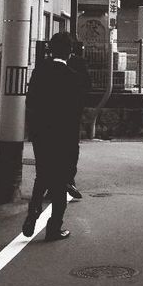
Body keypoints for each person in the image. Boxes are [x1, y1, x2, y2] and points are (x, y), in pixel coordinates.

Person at [22, 31, 86, 241]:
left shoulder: (39, 72)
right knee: (59, 183)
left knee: (42, 175)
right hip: (64, 137)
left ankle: (33, 211)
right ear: (69, 52)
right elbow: (77, 110)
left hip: (42, 134)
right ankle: (53, 228)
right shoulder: (73, 78)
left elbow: (30, 102)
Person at [65, 39, 93, 199]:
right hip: (71, 112)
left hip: (49, 115)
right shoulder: (79, 63)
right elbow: (87, 85)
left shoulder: (45, 65)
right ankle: (68, 179)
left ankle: (49, 184)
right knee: (70, 147)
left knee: (50, 149)